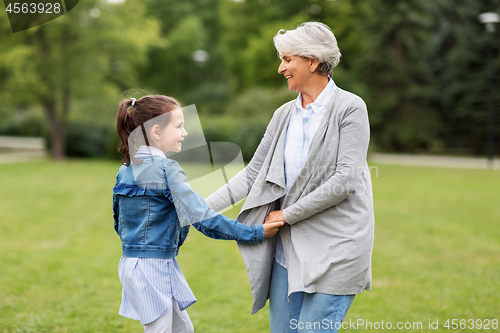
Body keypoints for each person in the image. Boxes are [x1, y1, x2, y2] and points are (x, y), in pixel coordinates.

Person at [206, 22, 374, 333]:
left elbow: (345, 180)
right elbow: (254, 173)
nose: (281, 68)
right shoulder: (284, 114)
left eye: (287, 59)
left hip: (337, 247)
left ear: (312, 60)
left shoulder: (350, 108)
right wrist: (198, 207)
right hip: (288, 250)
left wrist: (287, 214)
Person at [112, 94, 283, 333]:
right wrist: (254, 232)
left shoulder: (125, 170)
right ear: (157, 132)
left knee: (182, 329)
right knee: (160, 330)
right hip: (154, 265)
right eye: (179, 126)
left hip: (132, 262)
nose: (185, 133)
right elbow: (203, 218)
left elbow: (119, 221)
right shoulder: (167, 169)